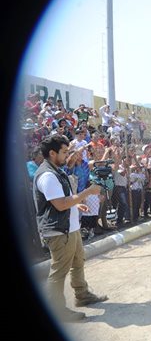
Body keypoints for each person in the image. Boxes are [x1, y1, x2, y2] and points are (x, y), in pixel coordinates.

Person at [32, 134, 109, 322]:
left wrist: (76, 205)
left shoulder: (57, 171)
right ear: (52, 153)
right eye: (64, 152)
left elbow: (63, 200)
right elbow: (59, 204)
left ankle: (82, 295)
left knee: (78, 262)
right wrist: (88, 192)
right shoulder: (48, 175)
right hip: (59, 231)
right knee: (59, 271)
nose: (67, 156)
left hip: (70, 228)